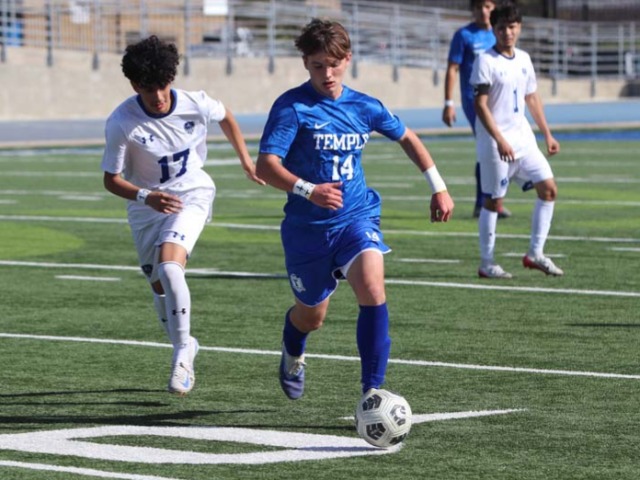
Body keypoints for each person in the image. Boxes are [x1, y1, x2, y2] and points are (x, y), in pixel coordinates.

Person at [255, 19, 454, 401]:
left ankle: (371, 391)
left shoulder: (365, 106)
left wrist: (438, 187)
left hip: (356, 217)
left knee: (373, 288)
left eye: (333, 64)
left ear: (348, 59)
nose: (327, 74)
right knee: (312, 316)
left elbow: (407, 137)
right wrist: (309, 190)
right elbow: (266, 166)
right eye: (317, 65)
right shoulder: (292, 107)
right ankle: (293, 347)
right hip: (308, 230)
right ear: (305, 63)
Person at [101, 35, 264, 395]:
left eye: (163, 85)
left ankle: (181, 358)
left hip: (192, 194)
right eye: (148, 89)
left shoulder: (195, 103)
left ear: (171, 78)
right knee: (159, 286)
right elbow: (111, 180)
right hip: (146, 208)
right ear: (134, 85)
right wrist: (146, 196)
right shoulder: (121, 123)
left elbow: (226, 117)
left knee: (170, 267)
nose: (158, 96)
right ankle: (187, 344)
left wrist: (246, 161)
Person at [470, 3, 563, 279]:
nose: (507, 33)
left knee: (549, 189)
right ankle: (487, 263)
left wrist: (547, 133)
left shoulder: (523, 58)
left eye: (512, 27)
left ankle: (535, 253)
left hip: (523, 140)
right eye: (501, 28)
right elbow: (480, 105)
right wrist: (499, 140)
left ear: (519, 27)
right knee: (493, 201)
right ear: (494, 30)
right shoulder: (485, 61)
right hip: (495, 143)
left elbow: (531, 97)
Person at [443, 0, 513, 220]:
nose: (484, 11)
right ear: (473, 10)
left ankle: (492, 201)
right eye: (479, 7)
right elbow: (453, 68)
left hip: (498, 100)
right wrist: (448, 103)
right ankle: (485, 203)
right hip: (474, 101)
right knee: (489, 146)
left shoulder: (500, 32)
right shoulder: (464, 35)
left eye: (488, 6)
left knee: (498, 147)